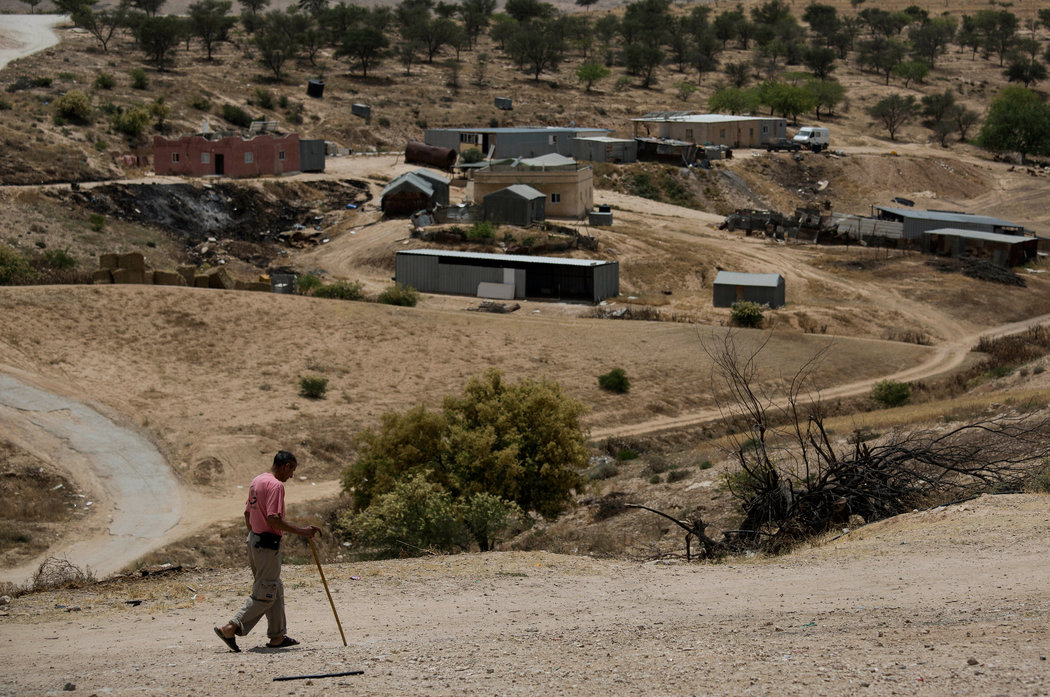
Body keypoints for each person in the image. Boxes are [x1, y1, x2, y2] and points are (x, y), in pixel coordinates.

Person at [214, 450, 321, 652]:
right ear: (285, 465)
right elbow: (273, 519)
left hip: (255, 540)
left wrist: (255, 536)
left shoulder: (257, 480)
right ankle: (230, 627)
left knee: (275, 587)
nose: (292, 476)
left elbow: (247, 513)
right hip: (266, 543)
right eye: (292, 470)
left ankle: (277, 636)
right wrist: (302, 531)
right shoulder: (276, 485)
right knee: (266, 591)